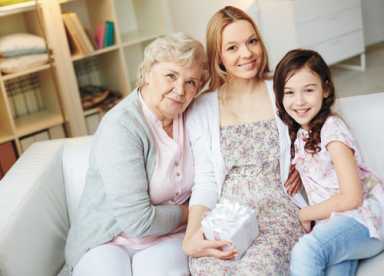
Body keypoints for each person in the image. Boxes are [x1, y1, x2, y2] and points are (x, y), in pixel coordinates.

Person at [61, 33, 208, 276]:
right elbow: (137, 221)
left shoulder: (195, 115)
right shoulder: (121, 127)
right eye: (171, 75)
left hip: (170, 236)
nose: (180, 90)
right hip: (108, 239)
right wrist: (191, 211)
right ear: (148, 73)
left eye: (191, 82)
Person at [182, 6, 306, 275]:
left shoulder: (282, 91)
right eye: (232, 47)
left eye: (252, 41)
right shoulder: (202, 108)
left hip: (277, 210)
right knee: (210, 268)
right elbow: (206, 179)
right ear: (218, 56)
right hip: (226, 216)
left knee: (256, 271)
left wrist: (304, 168)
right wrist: (192, 236)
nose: (247, 54)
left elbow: (319, 133)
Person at [273, 48, 384, 276]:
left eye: (309, 90)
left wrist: (304, 214)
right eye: (289, 93)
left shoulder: (332, 129)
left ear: (325, 89)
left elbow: (352, 196)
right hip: (337, 227)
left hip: (365, 221)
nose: (299, 101)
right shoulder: (300, 134)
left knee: (306, 251)